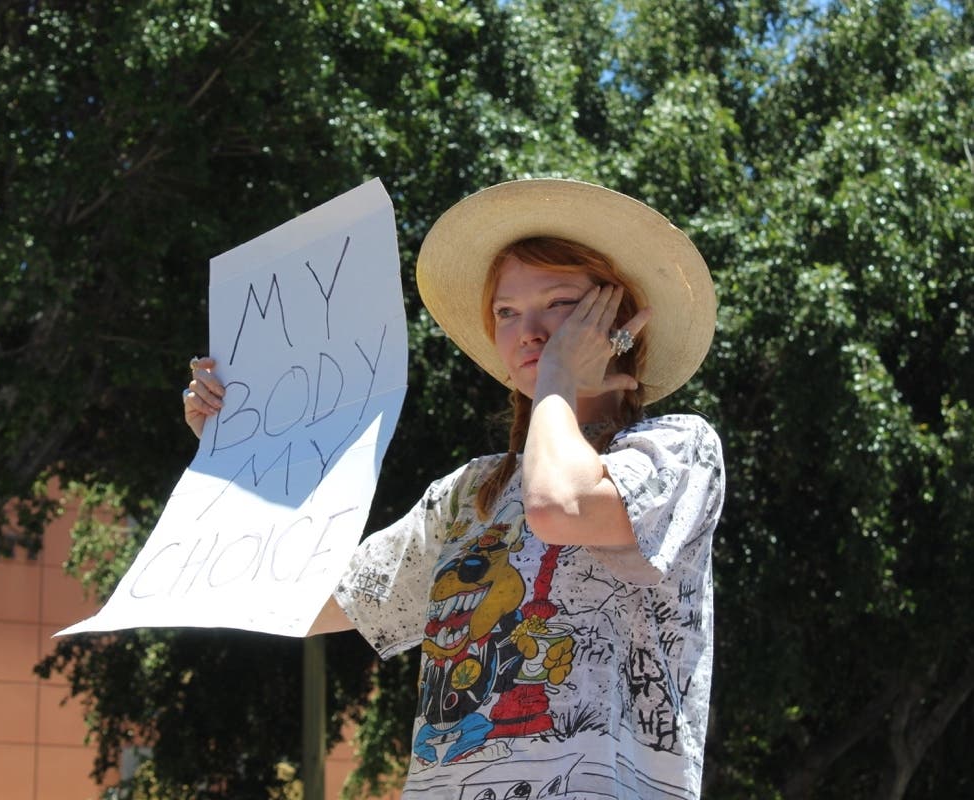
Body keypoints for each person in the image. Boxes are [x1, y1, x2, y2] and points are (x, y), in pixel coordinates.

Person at [183, 179, 724, 800]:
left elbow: (558, 506)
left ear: (622, 321)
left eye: (560, 302)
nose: (530, 329)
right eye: (506, 311)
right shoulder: (468, 495)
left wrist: (555, 380)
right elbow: (300, 604)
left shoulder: (678, 449)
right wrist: (237, 452)